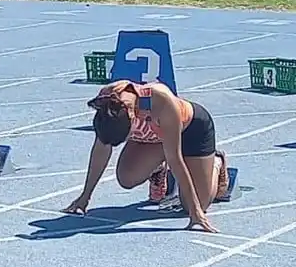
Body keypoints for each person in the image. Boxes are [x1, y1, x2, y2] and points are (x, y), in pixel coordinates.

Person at [63, 80, 230, 232]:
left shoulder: (160, 101)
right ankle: (158, 169)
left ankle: (216, 162)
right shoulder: (107, 105)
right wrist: (85, 197)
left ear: (131, 115)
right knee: (126, 178)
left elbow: (175, 160)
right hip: (155, 138)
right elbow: (100, 151)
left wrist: (195, 213)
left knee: (196, 203)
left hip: (192, 131)